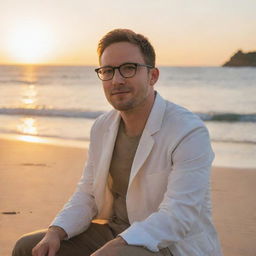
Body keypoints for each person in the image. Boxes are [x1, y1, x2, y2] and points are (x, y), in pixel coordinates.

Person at [12, 28, 222, 256]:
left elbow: (178, 217)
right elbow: (88, 194)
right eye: (108, 71)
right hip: (114, 232)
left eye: (129, 68)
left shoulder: (188, 131)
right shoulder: (102, 127)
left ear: (153, 76)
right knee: (27, 247)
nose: (117, 80)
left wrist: (117, 246)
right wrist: (56, 231)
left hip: (170, 245)